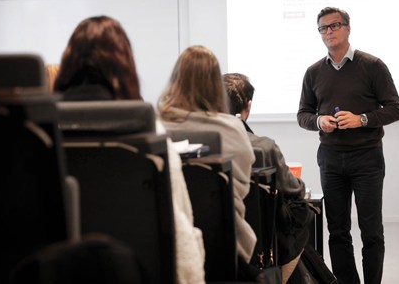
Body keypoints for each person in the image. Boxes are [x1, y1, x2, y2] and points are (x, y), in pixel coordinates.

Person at [53, 15, 206, 284]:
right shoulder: (149, 135)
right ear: (125, 69)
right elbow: (180, 229)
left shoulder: (38, 135)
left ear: (67, 66)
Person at [297, 7, 399, 284]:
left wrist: (362, 119)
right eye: (323, 28)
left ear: (347, 29)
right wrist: (319, 122)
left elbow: (395, 109)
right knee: (337, 231)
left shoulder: (372, 65)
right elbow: (303, 115)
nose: (329, 32)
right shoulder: (313, 72)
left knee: (371, 231)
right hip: (331, 159)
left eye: (334, 26)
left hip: (367, 157)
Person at [157, 45, 257, 268]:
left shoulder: (156, 128)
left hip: (166, 240)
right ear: (216, 85)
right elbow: (241, 189)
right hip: (223, 244)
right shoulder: (232, 129)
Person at [223, 72, 311, 284]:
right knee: (304, 213)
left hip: (213, 240)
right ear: (248, 105)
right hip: (259, 243)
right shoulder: (264, 147)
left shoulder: (198, 145)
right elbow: (294, 191)